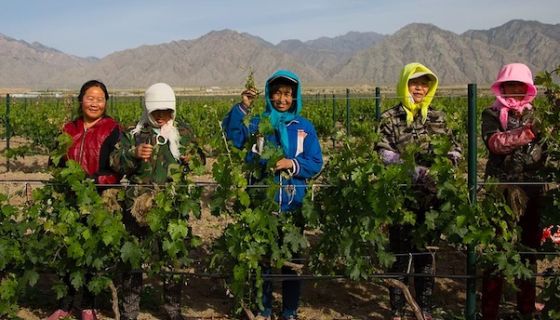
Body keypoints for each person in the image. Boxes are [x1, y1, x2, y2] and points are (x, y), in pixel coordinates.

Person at [222, 70, 323, 319]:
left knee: (293, 265)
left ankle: (289, 311)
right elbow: (234, 138)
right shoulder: (258, 123)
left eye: (287, 94)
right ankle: (264, 310)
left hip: (293, 208)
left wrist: (291, 164)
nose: (282, 99)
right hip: (262, 207)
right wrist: (242, 108)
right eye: (277, 93)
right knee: (263, 263)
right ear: (269, 94)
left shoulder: (304, 127)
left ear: (295, 97)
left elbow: (316, 162)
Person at [110, 82, 204, 320]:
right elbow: (115, 164)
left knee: (172, 258)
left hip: (171, 207)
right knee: (133, 259)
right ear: (148, 109)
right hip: (137, 208)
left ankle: (173, 310)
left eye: (167, 112)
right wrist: (133, 154)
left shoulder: (182, 131)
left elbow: (200, 159)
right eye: (157, 112)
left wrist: (190, 158)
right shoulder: (133, 133)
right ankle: (129, 312)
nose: (162, 117)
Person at [376, 62, 461, 320]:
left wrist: (446, 165)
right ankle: (397, 311)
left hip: (432, 198)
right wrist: (412, 169)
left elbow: (455, 148)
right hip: (400, 197)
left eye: (424, 83)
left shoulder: (439, 117)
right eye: (414, 83)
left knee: (426, 255)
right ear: (405, 85)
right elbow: (383, 152)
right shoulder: (390, 117)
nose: (419, 88)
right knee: (399, 255)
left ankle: (424, 309)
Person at [48, 79, 122, 320]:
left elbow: (119, 169)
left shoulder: (112, 129)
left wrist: (97, 181)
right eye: (90, 98)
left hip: (99, 199)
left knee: (92, 251)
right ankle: (65, 304)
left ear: (106, 103)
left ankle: (88, 305)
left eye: (100, 99)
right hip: (69, 197)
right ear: (81, 100)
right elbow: (54, 162)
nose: (95, 103)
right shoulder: (68, 129)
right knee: (67, 249)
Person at [480, 63, 543, 319]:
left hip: (532, 189)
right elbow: (495, 143)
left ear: (527, 89)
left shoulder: (537, 115)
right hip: (501, 190)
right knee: (497, 249)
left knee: (529, 249)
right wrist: (527, 134)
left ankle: (526, 308)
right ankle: (489, 311)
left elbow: (546, 151)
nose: (514, 90)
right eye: (510, 85)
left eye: (519, 86)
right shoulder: (491, 114)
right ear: (502, 88)